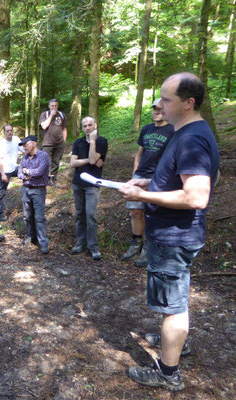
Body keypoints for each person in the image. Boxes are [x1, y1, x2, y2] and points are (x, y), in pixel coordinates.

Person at [119, 72, 219, 392]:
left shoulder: (192, 137)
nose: (160, 105)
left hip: (175, 236)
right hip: (171, 233)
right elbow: (184, 180)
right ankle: (173, 342)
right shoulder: (184, 131)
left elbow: (197, 195)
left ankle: (168, 373)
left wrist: (143, 196)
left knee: (174, 306)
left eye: (166, 99)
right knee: (172, 301)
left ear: (188, 103)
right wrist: (149, 183)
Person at [121, 99, 174, 266]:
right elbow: (139, 154)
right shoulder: (146, 129)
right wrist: (135, 173)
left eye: (160, 109)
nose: (156, 111)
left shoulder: (172, 130)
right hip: (140, 175)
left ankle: (148, 247)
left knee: (151, 213)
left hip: (157, 178)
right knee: (135, 212)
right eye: (154, 109)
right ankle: (136, 242)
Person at [70, 116, 108, 260]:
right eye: (84, 126)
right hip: (77, 183)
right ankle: (81, 242)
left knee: (90, 214)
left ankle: (93, 246)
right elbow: (73, 163)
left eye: (90, 125)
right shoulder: (78, 142)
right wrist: (89, 161)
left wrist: (92, 141)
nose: (87, 128)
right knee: (80, 214)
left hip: (93, 185)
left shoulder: (101, 141)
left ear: (95, 125)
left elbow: (93, 159)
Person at [17, 135, 50, 254]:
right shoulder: (24, 158)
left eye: (26, 144)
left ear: (34, 143)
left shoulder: (43, 156)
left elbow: (40, 172)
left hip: (38, 190)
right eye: (23, 145)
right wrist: (28, 174)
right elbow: (19, 173)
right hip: (26, 189)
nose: (24, 147)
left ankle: (43, 243)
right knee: (27, 216)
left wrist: (27, 172)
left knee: (39, 217)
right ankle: (31, 237)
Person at [0, 124, 22, 221]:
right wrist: (3, 174)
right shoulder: (2, 144)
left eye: (11, 130)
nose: (10, 132)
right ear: (4, 133)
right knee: (0, 193)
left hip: (13, 168)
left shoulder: (16, 139)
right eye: (8, 131)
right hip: (3, 170)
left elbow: (24, 149)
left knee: (27, 173)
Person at [40, 99, 68, 186]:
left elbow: (64, 128)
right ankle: (45, 179)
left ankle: (53, 179)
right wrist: (51, 115)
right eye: (52, 106)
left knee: (56, 162)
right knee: (46, 161)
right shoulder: (45, 114)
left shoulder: (62, 115)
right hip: (47, 143)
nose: (54, 107)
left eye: (56, 106)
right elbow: (44, 126)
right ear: (49, 106)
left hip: (59, 143)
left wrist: (64, 140)